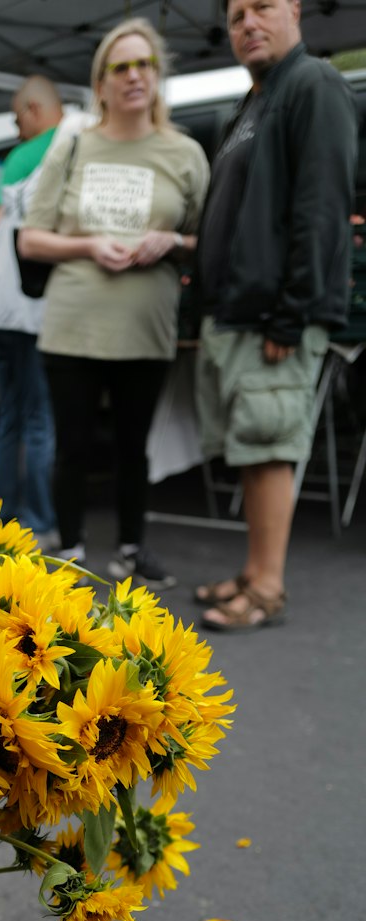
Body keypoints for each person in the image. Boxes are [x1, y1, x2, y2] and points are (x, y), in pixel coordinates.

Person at [18, 19, 209, 587]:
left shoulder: (186, 153)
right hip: (73, 326)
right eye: (120, 67)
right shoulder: (73, 144)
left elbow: (211, 241)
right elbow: (31, 237)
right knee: (70, 448)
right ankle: (69, 555)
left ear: (158, 76)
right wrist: (89, 245)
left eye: (144, 64)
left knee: (134, 448)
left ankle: (131, 549)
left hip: (145, 329)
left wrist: (173, 241)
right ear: (100, 83)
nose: (134, 76)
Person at [193, 0, 357, 631]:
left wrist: (291, 315)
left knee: (267, 449)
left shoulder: (311, 83)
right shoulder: (257, 99)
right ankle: (255, 569)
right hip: (241, 312)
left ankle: (267, 587)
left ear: (294, 9)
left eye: (262, 7)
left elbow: (321, 208)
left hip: (273, 317)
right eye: (236, 16)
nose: (248, 24)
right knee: (252, 447)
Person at [0, 76, 65, 544]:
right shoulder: (69, 146)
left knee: (10, 415)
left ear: (33, 108)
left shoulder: (21, 157)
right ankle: (41, 521)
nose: (16, 126)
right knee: (40, 418)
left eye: (16, 116)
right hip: (35, 308)